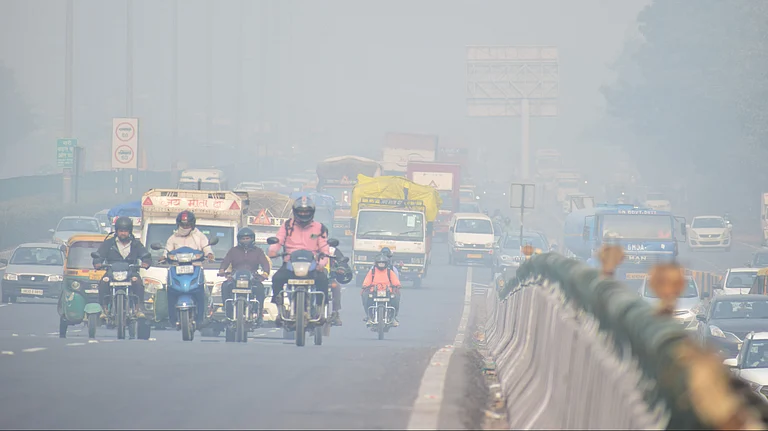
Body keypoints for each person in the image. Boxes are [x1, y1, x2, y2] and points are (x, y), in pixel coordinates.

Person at [268, 196, 331, 326]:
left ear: (312, 212)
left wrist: (322, 264)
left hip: (312, 265)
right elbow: (278, 240)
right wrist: (273, 251)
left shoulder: (319, 228)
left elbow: (324, 247)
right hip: (290, 263)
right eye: (300, 211)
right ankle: (280, 310)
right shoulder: (287, 225)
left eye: (306, 212)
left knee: (324, 280)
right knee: (277, 279)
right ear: (295, 212)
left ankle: (320, 310)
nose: (303, 214)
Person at [92, 217, 152, 320]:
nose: (123, 233)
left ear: (130, 231)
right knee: (103, 282)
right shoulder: (108, 243)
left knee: (137, 282)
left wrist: (146, 262)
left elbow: (145, 255)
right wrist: (97, 263)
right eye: (121, 231)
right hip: (111, 272)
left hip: (130, 272)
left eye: (125, 231)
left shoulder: (136, 244)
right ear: (116, 231)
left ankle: (138, 309)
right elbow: (99, 255)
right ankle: (104, 309)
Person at [163, 210, 214, 326]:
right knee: (170, 291)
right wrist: (163, 256)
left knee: (201, 292)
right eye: (182, 225)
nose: (185, 227)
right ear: (178, 225)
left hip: (195, 267)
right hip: (176, 269)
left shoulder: (199, 236)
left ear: (193, 225)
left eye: (187, 225)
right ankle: (171, 318)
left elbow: (206, 247)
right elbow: (167, 250)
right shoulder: (173, 237)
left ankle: (201, 317)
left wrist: (209, 254)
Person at [217, 227, 271, 326]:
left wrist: (265, 274)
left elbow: (265, 264)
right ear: (239, 240)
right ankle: (227, 313)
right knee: (225, 286)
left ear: (252, 239)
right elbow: (226, 261)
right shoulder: (233, 250)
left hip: (252, 278)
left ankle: (258, 316)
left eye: (247, 238)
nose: (245, 241)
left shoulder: (258, 251)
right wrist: (222, 270)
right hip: (235, 277)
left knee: (260, 288)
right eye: (243, 239)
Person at [361, 253, 401, 326]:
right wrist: (365, 285)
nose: (381, 264)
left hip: (388, 291)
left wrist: (397, 285)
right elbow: (367, 280)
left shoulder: (389, 271)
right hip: (374, 291)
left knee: (396, 298)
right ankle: (369, 317)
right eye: (380, 263)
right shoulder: (372, 271)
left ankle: (393, 317)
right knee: (365, 296)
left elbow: (395, 281)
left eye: (383, 263)